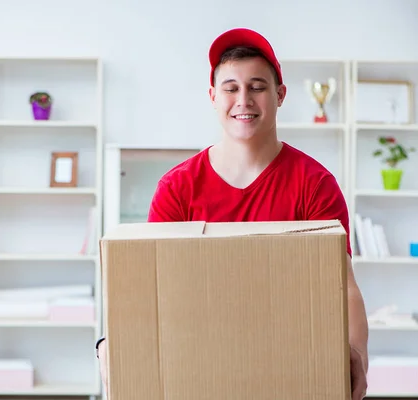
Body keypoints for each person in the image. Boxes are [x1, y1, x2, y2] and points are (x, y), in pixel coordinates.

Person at [96, 27, 369, 400]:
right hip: (198, 365)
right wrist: (109, 342)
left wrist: (356, 353)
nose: (244, 99)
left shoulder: (315, 183)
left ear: (280, 95)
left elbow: (344, 285)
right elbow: (150, 285)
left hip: (290, 366)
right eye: (230, 88)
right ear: (213, 96)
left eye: (257, 86)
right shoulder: (177, 187)